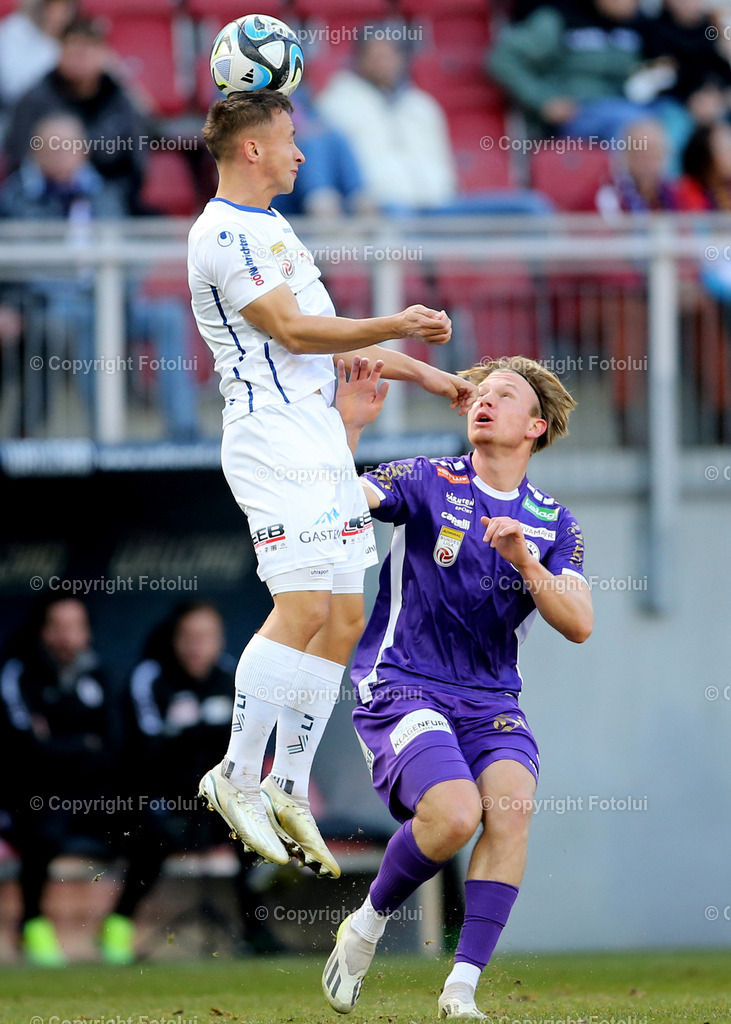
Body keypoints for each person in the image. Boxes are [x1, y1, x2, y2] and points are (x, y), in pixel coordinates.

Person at [188, 90, 473, 878]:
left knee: (345, 614)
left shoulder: (275, 229)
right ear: (251, 149)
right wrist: (398, 322)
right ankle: (235, 773)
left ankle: (286, 784)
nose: (300, 153)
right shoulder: (220, 232)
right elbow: (293, 330)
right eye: (287, 139)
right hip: (272, 442)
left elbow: (328, 350)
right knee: (304, 606)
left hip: (315, 434)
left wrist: (427, 374)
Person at [322, 355, 593, 1018]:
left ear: (533, 427)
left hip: (490, 698)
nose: (484, 400)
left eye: (504, 395)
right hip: (401, 682)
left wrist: (523, 559)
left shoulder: (553, 523)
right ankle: (366, 924)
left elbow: (580, 622)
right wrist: (346, 429)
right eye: (479, 392)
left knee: (509, 808)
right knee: (452, 816)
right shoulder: (426, 479)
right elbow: (338, 502)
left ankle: (460, 987)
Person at [0, 112, 199, 440]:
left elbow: (127, 253)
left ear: (83, 151)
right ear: (37, 153)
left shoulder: (106, 193)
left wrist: (121, 293)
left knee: (168, 316)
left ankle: (184, 429)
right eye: (53, 147)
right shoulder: (14, 197)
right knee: (91, 319)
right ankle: (106, 435)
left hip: (113, 297)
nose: (62, 154)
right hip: (48, 304)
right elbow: (13, 266)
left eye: (69, 147)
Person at [103, 602, 283, 964]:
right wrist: (203, 733)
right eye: (189, 637)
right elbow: (149, 750)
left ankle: (255, 930)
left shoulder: (234, 675)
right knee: (150, 835)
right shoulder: (149, 678)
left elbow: (257, 742)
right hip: (162, 797)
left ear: (219, 641)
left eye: (206, 638)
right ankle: (118, 927)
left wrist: (192, 732)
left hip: (218, 798)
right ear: (175, 640)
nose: (197, 646)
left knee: (253, 831)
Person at [0, 595, 120, 966]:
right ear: (43, 631)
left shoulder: (100, 675)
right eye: (58, 627)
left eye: (76, 627)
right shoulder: (18, 673)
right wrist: (84, 741)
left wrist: (60, 741)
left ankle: (120, 924)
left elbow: (114, 745)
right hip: (33, 795)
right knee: (44, 831)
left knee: (152, 826)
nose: (68, 637)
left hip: (92, 795)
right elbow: (28, 749)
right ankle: (32, 924)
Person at [2, 16, 153, 214]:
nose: (80, 60)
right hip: (40, 203)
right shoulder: (34, 99)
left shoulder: (120, 100)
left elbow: (135, 162)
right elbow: (17, 157)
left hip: (108, 201)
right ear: (60, 52)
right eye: (73, 51)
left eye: (87, 51)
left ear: (103, 54)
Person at [316, 33, 457, 213]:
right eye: (376, 57)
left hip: (437, 203)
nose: (383, 63)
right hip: (381, 207)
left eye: (389, 56)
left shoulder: (422, 106)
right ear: (359, 59)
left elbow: (442, 160)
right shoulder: (336, 104)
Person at [488, 0, 646, 142]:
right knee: (637, 127)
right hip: (578, 111)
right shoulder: (560, 18)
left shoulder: (640, 25)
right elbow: (503, 58)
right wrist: (543, 100)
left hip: (630, 103)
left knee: (665, 117)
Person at [0, 0, 76, 111]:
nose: (61, 15)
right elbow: (13, 86)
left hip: (60, 111)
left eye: (67, 8)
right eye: (53, 7)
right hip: (15, 110)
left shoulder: (76, 38)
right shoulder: (16, 29)